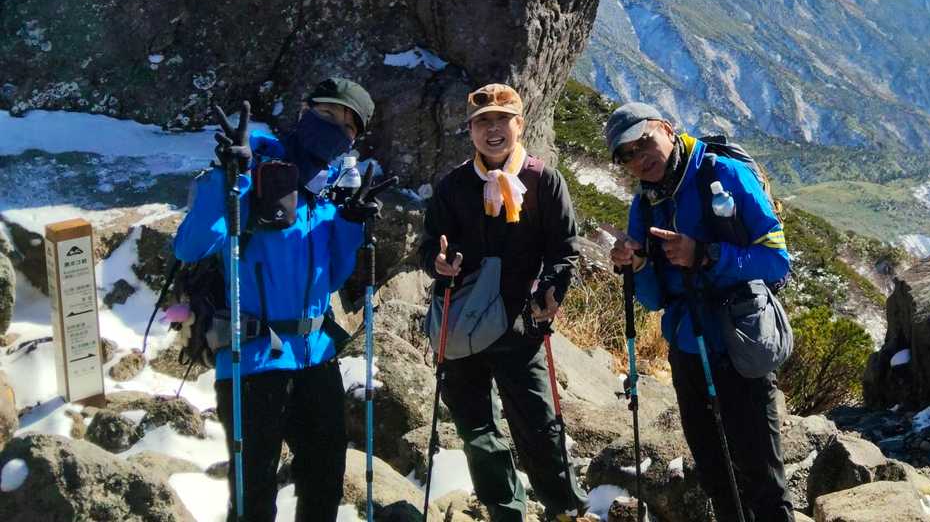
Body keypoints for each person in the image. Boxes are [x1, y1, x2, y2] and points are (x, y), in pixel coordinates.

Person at [174, 76, 388, 522]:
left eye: (348, 126)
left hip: (317, 359)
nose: (335, 129)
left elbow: (330, 280)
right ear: (304, 111)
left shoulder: (326, 191)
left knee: (323, 489)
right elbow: (190, 247)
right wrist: (227, 178)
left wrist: (350, 223)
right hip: (252, 359)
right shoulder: (254, 167)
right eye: (327, 114)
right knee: (254, 500)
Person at [605, 101, 794, 522]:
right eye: (626, 155)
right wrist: (638, 266)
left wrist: (706, 255)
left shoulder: (723, 175)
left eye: (643, 142)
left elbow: (776, 260)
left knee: (762, 476)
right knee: (715, 474)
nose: (639, 159)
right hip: (688, 348)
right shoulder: (644, 205)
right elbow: (654, 299)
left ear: (667, 129)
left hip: (738, 343)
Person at [418, 82, 586, 522]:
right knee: (477, 430)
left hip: (520, 324)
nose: (493, 130)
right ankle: (505, 510)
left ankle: (564, 508)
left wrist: (552, 291)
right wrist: (438, 263)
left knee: (538, 425)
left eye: (502, 120)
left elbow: (564, 248)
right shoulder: (454, 186)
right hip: (462, 323)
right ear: (471, 130)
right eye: (482, 122)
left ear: (520, 124)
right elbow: (428, 246)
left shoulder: (542, 180)